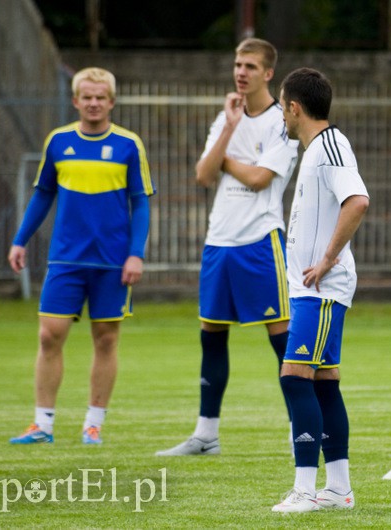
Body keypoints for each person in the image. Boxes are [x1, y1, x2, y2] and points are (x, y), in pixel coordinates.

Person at [156, 38, 299, 457]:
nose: (241, 72)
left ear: (268, 73)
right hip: (219, 241)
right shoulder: (228, 117)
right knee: (211, 337)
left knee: (282, 339)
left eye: (250, 66)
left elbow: (260, 180)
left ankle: (299, 432)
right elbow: (203, 173)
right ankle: (206, 436)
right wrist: (231, 129)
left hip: (260, 241)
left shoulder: (282, 121)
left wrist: (227, 163)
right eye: (237, 64)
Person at [8, 67, 155, 445]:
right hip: (66, 260)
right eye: (86, 96)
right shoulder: (58, 142)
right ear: (75, 100)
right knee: (48, 336)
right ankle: (42, 424)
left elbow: (140, 204)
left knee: (106, 340)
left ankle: (94, 423)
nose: (93, 103)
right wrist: (20, 240)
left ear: (111, 101)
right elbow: (43, 194)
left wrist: (135, 254)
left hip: (112, 262)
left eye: (100, 97)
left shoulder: (128, 144)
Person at [270, 67, 369, 513]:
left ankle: (305, 490)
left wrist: (327, 259)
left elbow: (358, 200)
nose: (281, 116)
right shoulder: (313, 150)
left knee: (294, 377)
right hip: (312, 289)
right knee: (324, 382)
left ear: (294, 107)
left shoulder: (330, 146)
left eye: (281, 106)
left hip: (322, 288)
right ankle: (338, 489)